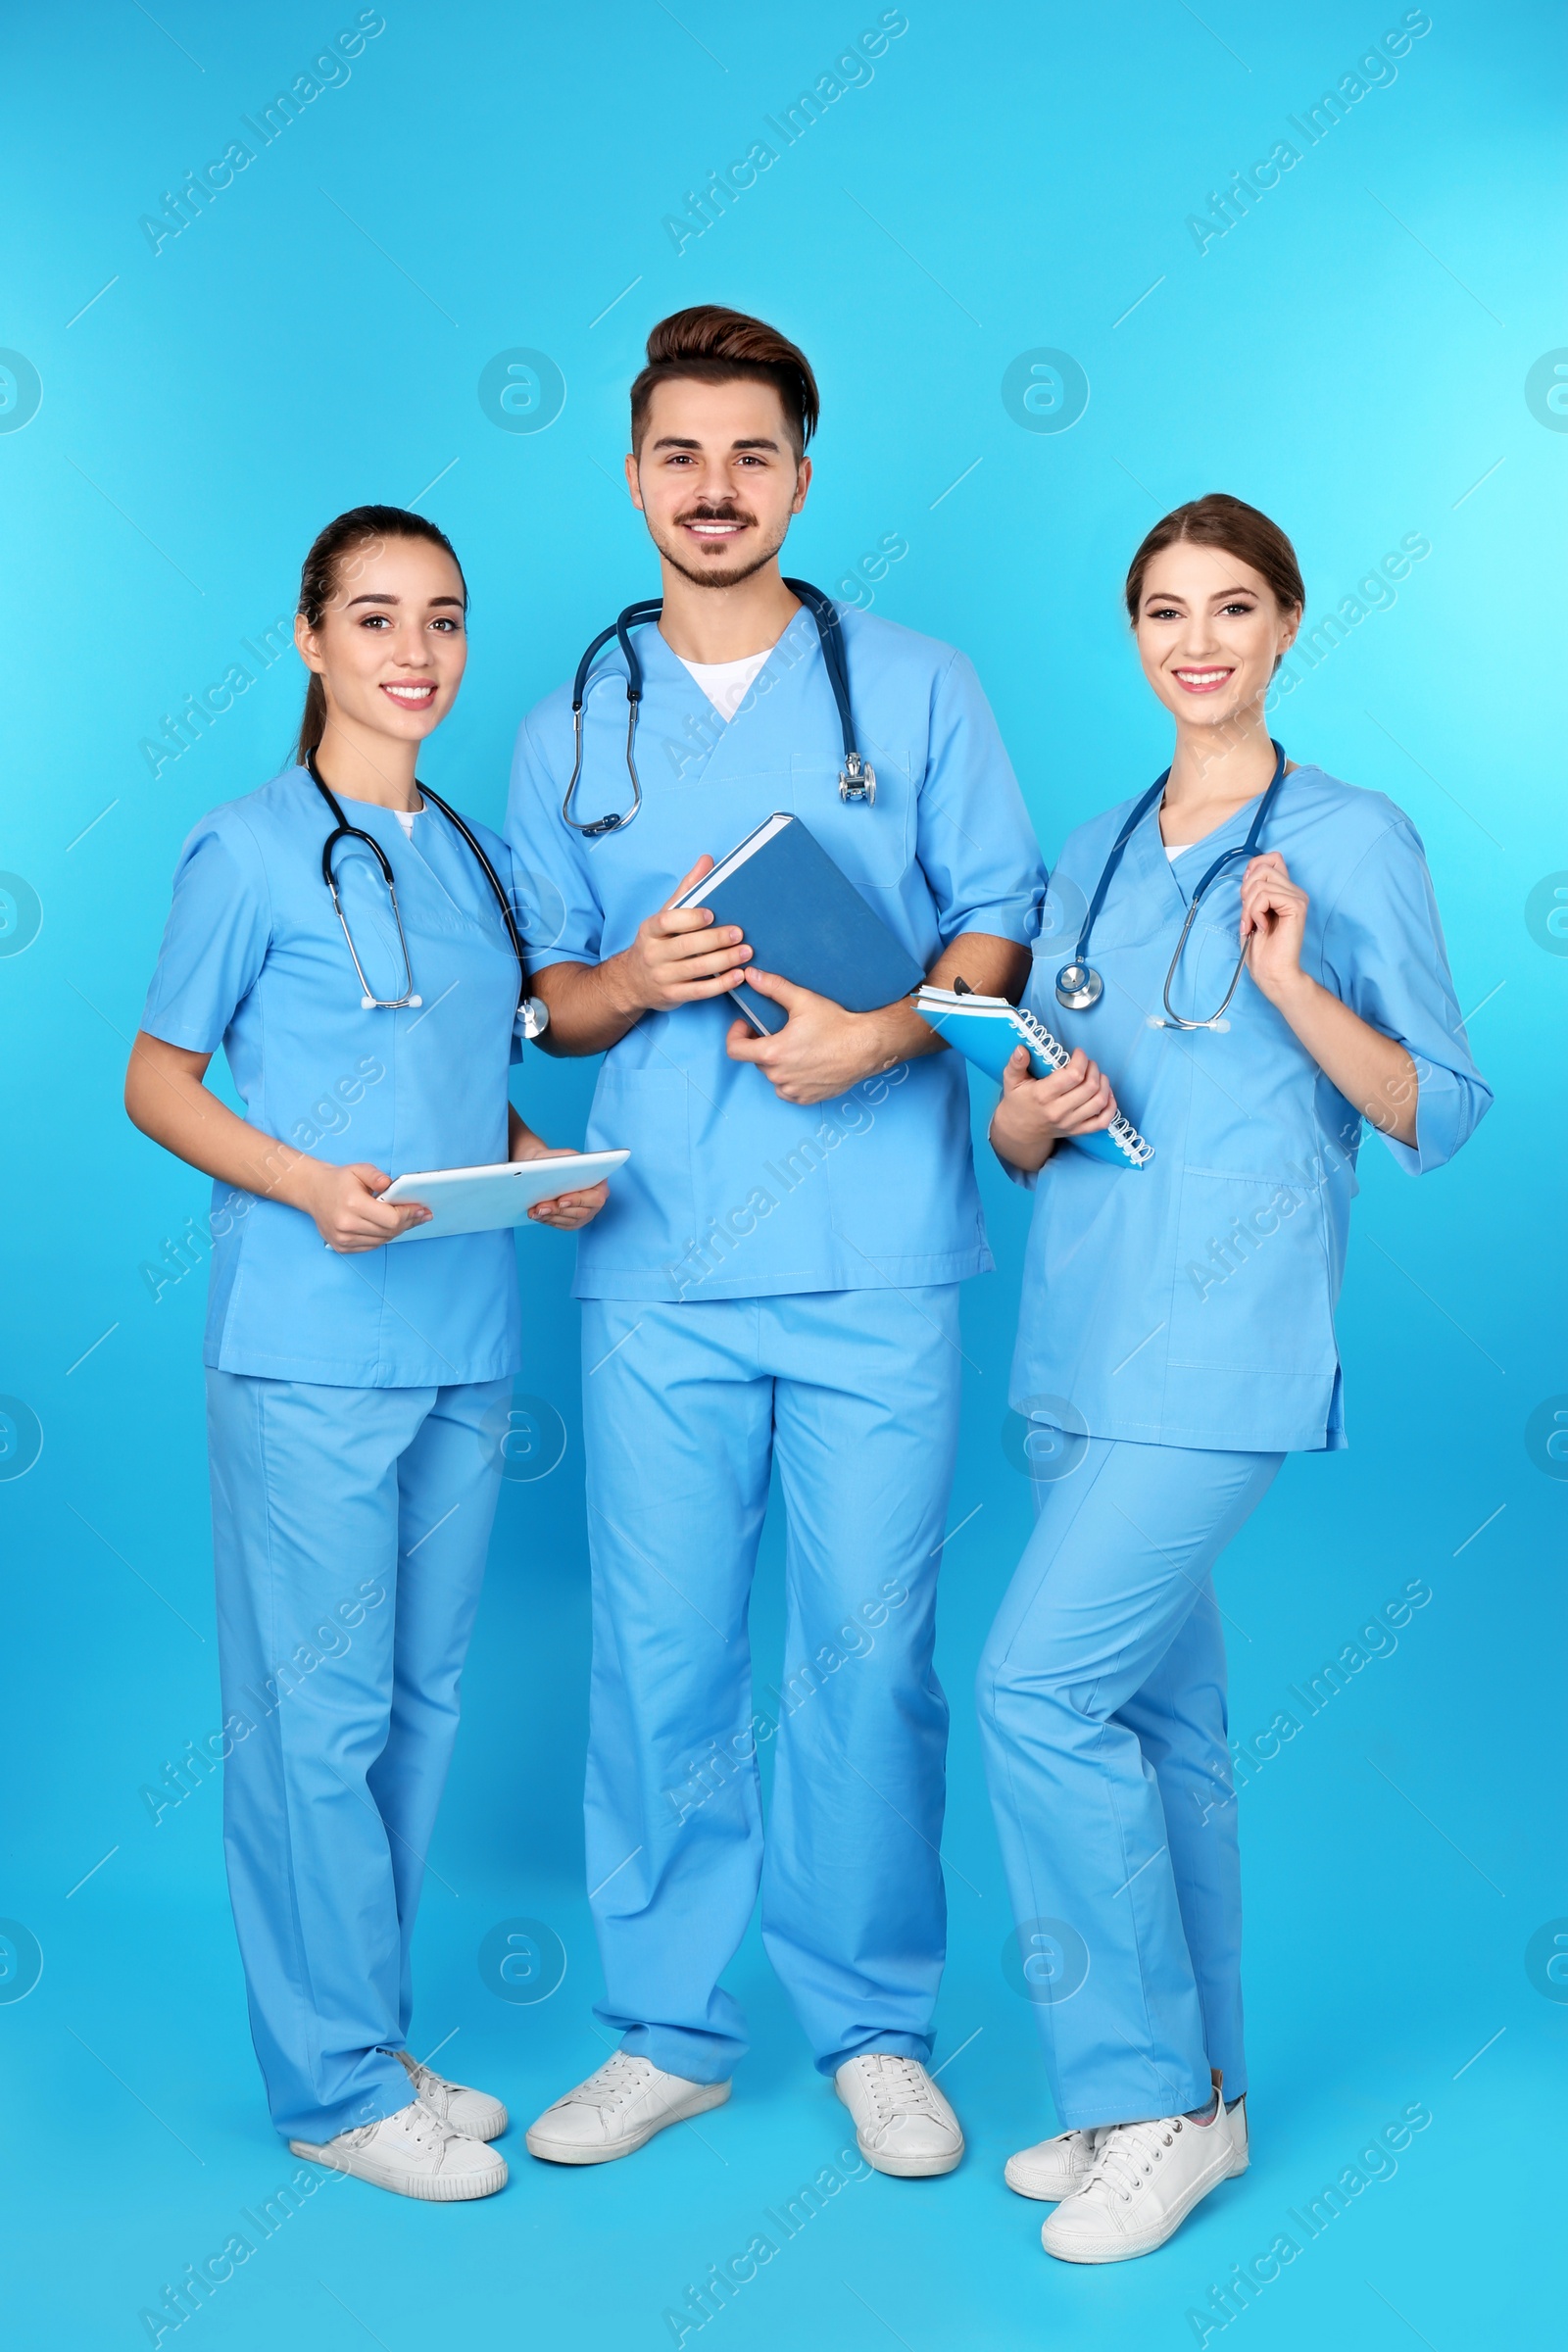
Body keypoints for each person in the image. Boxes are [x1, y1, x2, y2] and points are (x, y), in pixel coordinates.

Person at [507, 307, 1045, 2177]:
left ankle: (874, 2021)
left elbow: (999, 928)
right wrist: (625, 977)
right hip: (658, 1261)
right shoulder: (567, 722)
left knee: (866, 1655)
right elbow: (543, 1005)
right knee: (657, 1652)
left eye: (751, 456)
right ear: (636, 477)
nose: (714, 490)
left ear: (801, 478)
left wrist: (888, 1032)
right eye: (679, 456)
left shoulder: (916, 687)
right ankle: (667, 2029)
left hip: (878, 1248)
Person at [978, 493, 1490, 2262]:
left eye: (1232, 607)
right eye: (1165, 611)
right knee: (1157, 1724)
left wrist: (1288, 987)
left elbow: (1437, 1107)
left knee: (1034, 1697)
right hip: (1074, 1337)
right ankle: (1209, 2097)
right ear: (1136, 636)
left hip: (1224, 1352)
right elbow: (1024, 1117)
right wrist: (1024, 1114)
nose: (1197, 640)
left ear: (1286, 628)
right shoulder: (1099, 843)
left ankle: (1137, 2101)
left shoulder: (1349, 839)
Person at [124, 505, 607, 2201]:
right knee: (311, 1720)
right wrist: (301, 1183)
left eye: (447, 622)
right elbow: (160, 1080)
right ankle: (328, 2088)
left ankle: (368, 2032)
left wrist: (529, 1164)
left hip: (462, 1334)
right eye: (379, 619)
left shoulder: (470, 856)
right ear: (312, 639)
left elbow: (449, 1070)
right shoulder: (246, 850)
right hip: (310, 1340)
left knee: (416, 1707)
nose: (417, 654)